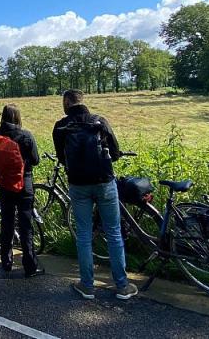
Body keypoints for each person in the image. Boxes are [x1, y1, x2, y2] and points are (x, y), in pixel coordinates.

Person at [53, 89, 136, 300]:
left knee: (83, 234)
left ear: (66, 103)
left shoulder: (60, 126)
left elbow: (61, 157)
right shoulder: (99, 121)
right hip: (104, 182)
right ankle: (122, 285)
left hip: (78, 185)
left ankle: (87, 285)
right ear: (82, 101)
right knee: (114, 232)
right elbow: (115, 152)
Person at [0, 104, 43, 277]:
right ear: (17, 117)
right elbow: (35, 160)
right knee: (26, 223)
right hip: (24, 183)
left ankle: (6, 261)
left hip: (5, 184)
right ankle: (30, 265)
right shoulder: (26, 135)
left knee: (7, 221)